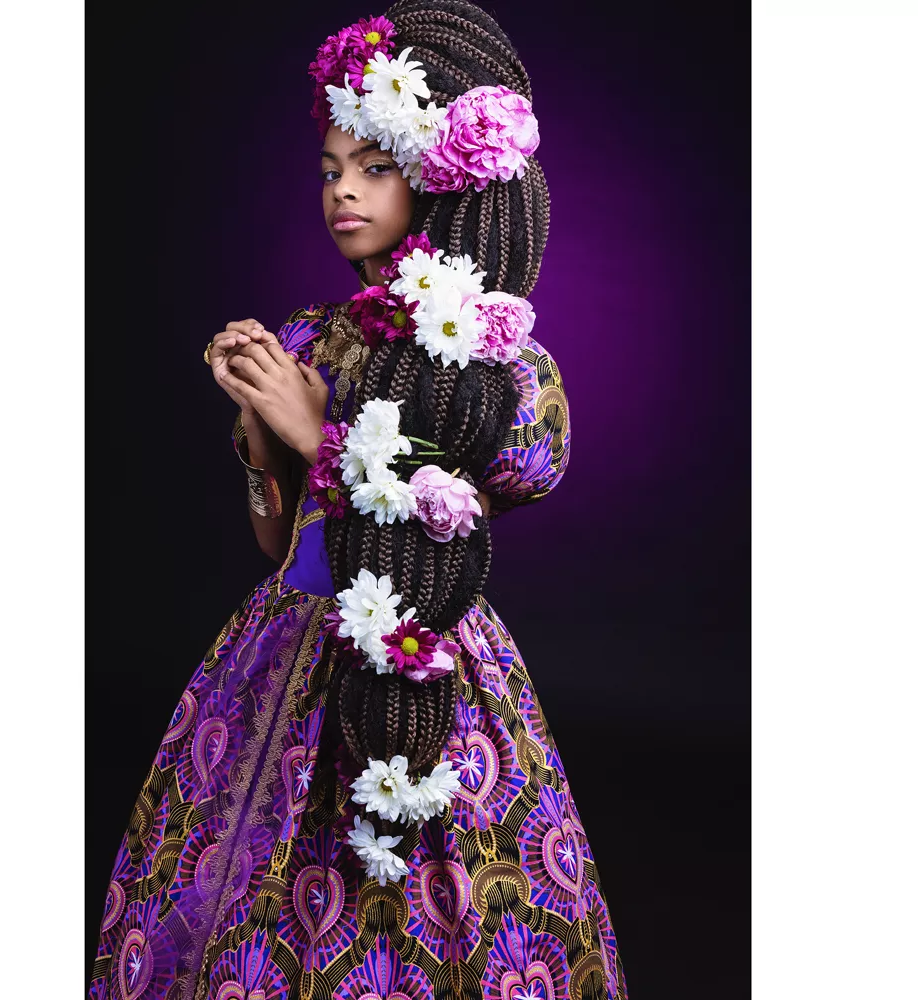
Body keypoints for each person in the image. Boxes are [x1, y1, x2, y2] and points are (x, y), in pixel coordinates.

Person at [89, 3, 627, 998]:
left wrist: (315, 434)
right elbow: (277, 543)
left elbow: (490, 491)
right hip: (288, 638)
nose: (341, 188)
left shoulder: (488, 360)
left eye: (372, 167)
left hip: (418, 649)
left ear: (432, 178)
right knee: (242, 895)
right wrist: (263, 441)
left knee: (432, 892)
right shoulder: (309, 336)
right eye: (330, 169)